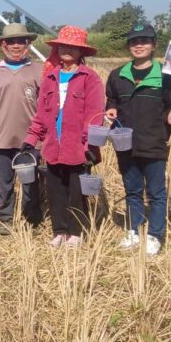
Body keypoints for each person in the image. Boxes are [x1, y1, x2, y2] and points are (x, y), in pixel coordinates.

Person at [105, 23, 171, 256]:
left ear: (154, 45)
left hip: (154, 141)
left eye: (144, 41)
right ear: (129, 46)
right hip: (125, 144)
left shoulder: (166, 75)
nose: (138, 45)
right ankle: (134, 230)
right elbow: (112, 101)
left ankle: (154, 235)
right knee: (132, 190)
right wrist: (110, 110)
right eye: (134, 41)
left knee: (156, 193)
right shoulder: (117, 75)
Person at [23, 26, 104, 249]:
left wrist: (88, 145)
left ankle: (76, 232)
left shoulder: (90, 78)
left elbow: (95, 115)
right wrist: (31, 139)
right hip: (53, 146)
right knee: (55, 191)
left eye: (73, 47)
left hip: (78, 147)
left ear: (81, 52)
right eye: (63, 46)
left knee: (76, 192)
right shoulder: (50, 78)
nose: (67, 50)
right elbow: (42, 114)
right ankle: (60, 231)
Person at [0, 23, 45, 234]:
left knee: (30, 182)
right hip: (1, 137)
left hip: (31, 138)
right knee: (4, 182)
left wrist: (45, 136)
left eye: (20, 42)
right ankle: (5, 219)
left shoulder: (38, 70)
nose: (16, 46)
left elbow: (46, 106)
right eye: (11, 42)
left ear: (28, 44)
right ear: (3, 45)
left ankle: (32, 220)